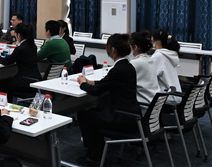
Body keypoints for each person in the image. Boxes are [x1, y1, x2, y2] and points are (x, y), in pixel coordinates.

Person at [77, 34, 141, 166]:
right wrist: (91, 82)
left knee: (84, 115)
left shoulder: (117, 69)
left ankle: (95, 155)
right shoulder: (128, 66)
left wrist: (83, 84)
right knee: (93, 112)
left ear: (112, 49)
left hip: (121, 117)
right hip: (131, 114)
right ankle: (95, 151)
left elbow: (96, 91)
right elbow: (108, 83)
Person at [0, 23, 41, 100]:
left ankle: (7, 104)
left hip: (25, 80)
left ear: (18, 35)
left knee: (2, 83)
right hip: (36, 78)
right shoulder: (33, 46)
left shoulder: (20, 48)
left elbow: (6, 61)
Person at [129, 31, 159, 114]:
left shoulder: (135, 63)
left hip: (142, 106)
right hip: (153, 104)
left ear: (135, 47)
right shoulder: (150, 60)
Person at [151, 29, 182, 105]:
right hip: (176, 94)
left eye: (152, 40)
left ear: (157, 41)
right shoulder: (169, 54)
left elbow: (149, 76)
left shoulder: (158, 56)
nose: (151, 43)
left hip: (167, 97)